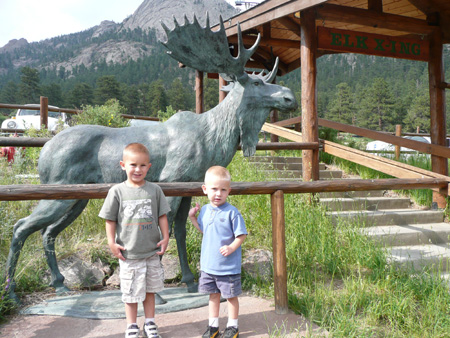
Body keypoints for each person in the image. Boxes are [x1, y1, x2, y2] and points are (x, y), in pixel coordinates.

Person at [99, 143, 170, 338]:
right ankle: (131, 325)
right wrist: (111, 243)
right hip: (129, 253)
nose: (137, 169)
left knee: (150, 289)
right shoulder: (117, 191)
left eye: (142, 165)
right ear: (123, 165)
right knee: (130, 293)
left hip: (151, 252)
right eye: (133, 165)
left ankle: (150, 323)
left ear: (149, 167)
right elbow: (110, 219)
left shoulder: (154, 190)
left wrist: (166, 237)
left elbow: (163, 215)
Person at [189, 166, 247, 338]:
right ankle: (213, 327)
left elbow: (241, 235)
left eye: (223, 190)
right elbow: (204, 230)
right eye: (214, 189)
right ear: (205, 189)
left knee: (231, 297)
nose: (218, 194)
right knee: (213, 296)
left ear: (228, 191)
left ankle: (232, 327)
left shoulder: (232, 212)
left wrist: (231, 247)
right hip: (209, 266)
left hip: (227, 267)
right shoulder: (205, 210)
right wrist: (193, 217)